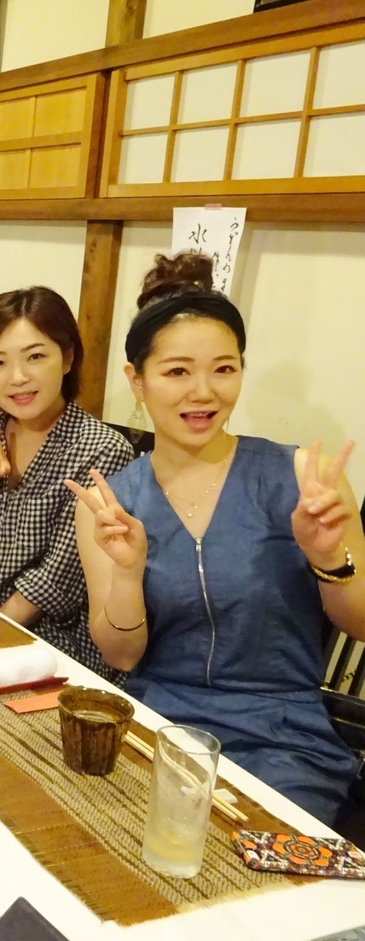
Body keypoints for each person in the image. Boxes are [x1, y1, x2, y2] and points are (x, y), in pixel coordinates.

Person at [68, 252, 363, 824]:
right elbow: (121, 655)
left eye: (224, 369)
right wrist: (127, 572)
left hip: (282, 739)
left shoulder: (303, 477)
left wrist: (328, 558)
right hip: (157, 727)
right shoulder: (110, 503)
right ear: (137, 380)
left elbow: (360, 623)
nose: (203, 392)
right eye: (177, 372)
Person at [0, 288, 133, 681]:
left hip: (53, 639)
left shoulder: (102, 449)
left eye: (35, 357)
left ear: (67, 358)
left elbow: (57, 580)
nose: (17, 378)